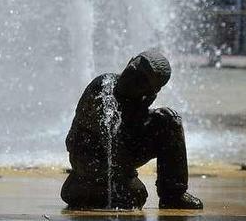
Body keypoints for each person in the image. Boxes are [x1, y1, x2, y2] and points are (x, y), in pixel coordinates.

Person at [61, 50, 203, 210]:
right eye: (134, 70)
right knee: (134, 195)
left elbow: (130, 130)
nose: (132, 80)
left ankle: (173, 195)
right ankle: (79, 186)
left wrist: (149, 112)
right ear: (130, 61)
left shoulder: (140, 98)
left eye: (143, 81)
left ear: (151, 91)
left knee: (169, 121)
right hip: (91, 156)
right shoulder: (104, 87)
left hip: (120, 151)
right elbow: (111, 140)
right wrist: (129, 178)